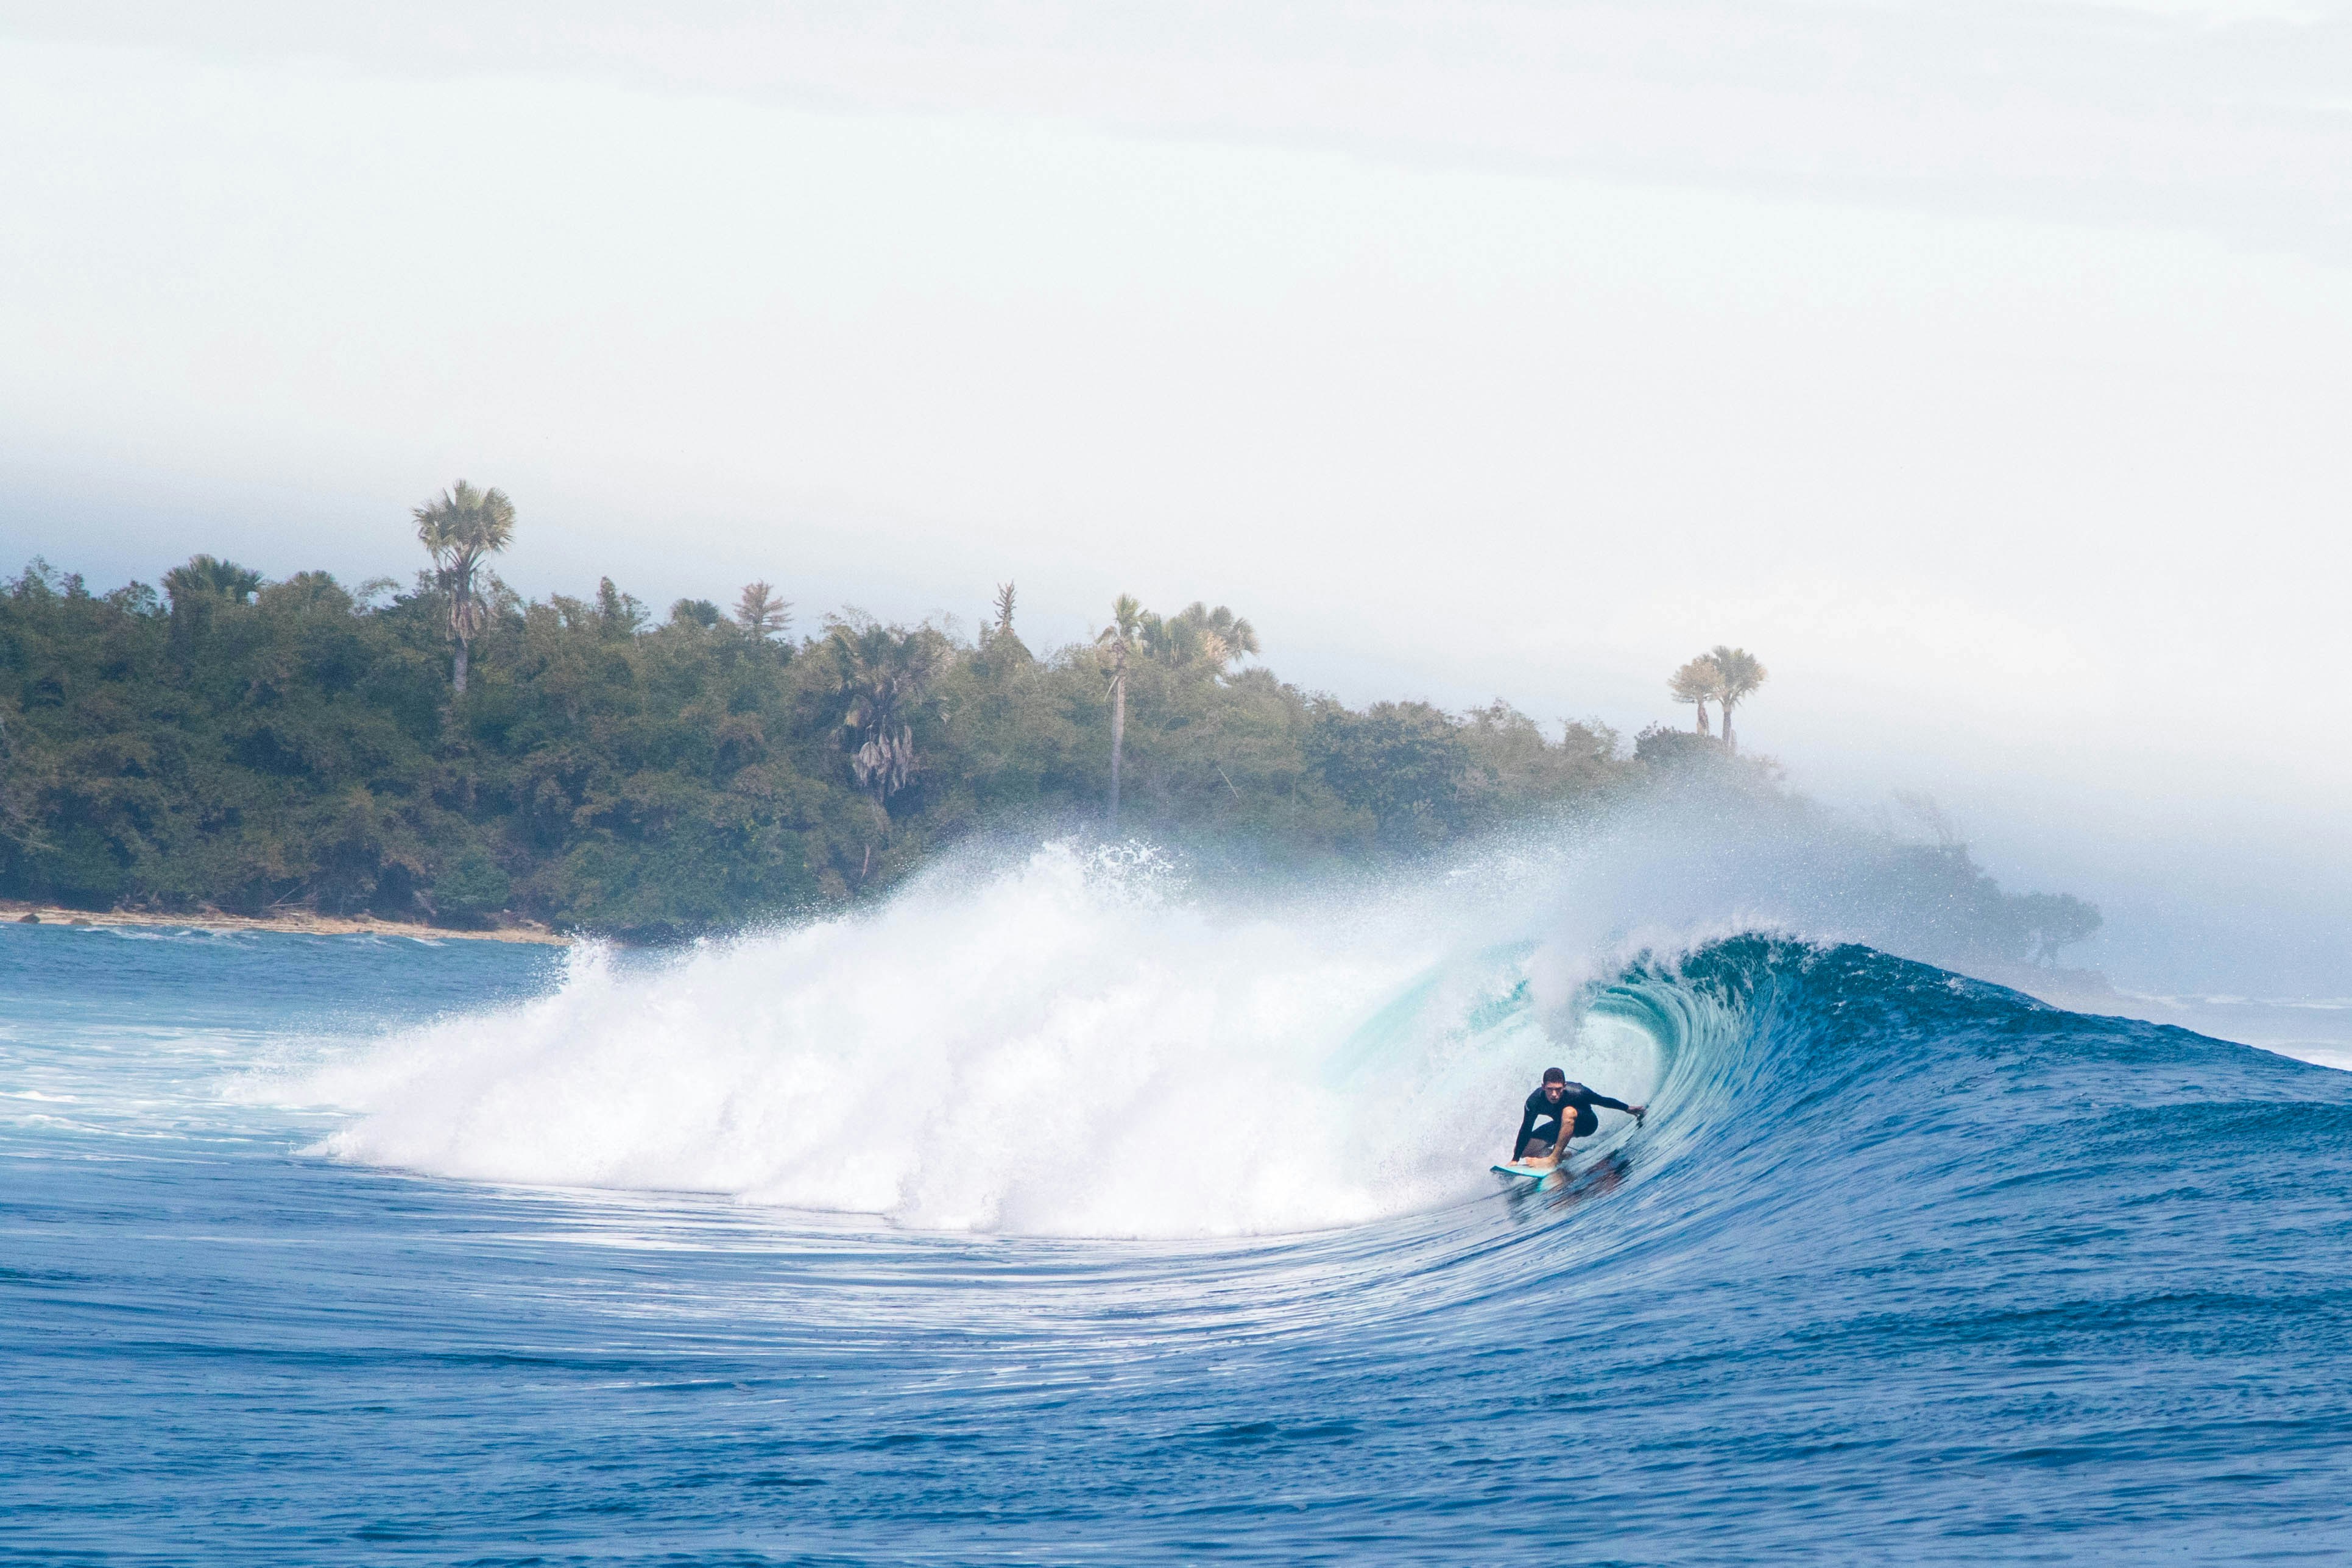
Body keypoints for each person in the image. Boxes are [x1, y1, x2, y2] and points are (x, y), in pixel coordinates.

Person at [1511, 1067, 1645, 1167]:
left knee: (1568, 1111)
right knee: (1524, 1150)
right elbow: (1526, 1128)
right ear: (1543, 1087)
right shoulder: (1534, 1102)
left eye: (1558, 1089)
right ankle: (1563, 1155)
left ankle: (1553, 1159)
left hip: (1586, 1124)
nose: (1554, 1094)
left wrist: (1627, 1108)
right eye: (1550, 1089)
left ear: (1564, 1086)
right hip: (1560, 1125)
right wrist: (1515, 1160)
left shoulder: (1578, 1092)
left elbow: (1602, 1101)